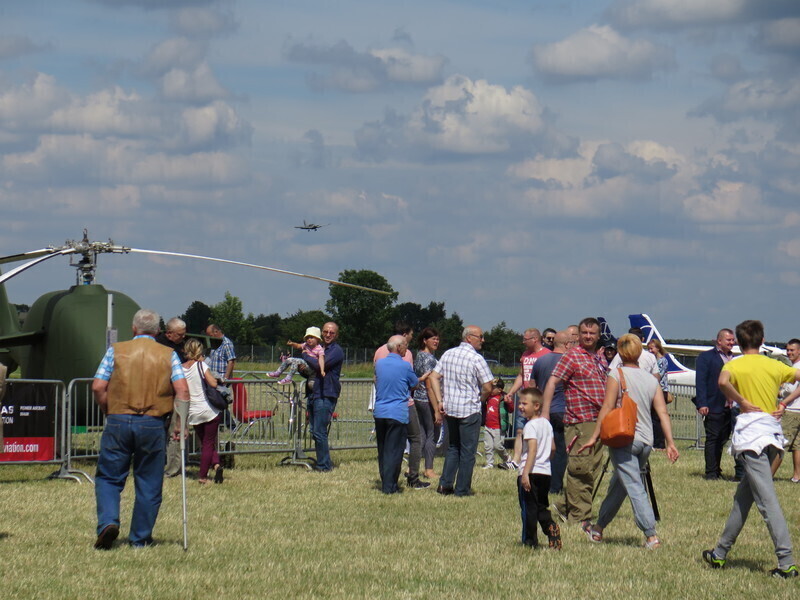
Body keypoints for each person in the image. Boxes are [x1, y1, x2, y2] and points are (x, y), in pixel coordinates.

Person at [703, 320, 800, 578]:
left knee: (768, 502)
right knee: (742, 500)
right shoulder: (774, 365)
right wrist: (785, 403)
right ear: (762, 339)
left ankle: (786, 562)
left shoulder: (734, 365)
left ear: (738, 340)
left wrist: (741, 401)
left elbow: (723, 382)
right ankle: (719, 553)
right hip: (772, 438)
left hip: (752, 439)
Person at [91, 309, 189, 549]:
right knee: (149, 481)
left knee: (109, 477)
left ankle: (108, 522)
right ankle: (140, 537)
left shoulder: (115, 351)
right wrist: (181, 424)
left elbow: (98, 386)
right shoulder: (169, 354)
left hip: (118, 419)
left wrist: (108, 410)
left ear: (134, 328)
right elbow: (182, 391)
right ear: (158, 331)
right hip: (153, 422)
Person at [578, 334, 680, 549]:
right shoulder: (651, 380)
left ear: (620, 352)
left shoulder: (616, 374)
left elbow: (607, 407)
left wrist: (594, 436)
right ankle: (598, 529)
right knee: (619, 485)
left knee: (633, 486)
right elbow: (662, 412)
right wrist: (670, 442)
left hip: (624, 437)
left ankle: (651, 535)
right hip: (646, 440)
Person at [542, 318, 607, 527]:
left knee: (593, 468)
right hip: (580, 420)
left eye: (592, 333)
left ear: (598, 336)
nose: (588, 336)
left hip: (599, 420)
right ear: (578, 335)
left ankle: (565, 507)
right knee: (580, 468)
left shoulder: (599, 358)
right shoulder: (572, 356)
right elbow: (552, 382)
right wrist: (545, 413)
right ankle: (579, 517)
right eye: (584, 333)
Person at [428, 325, 494, 497]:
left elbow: (433, 377)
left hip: (450, 408)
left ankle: (445, 484)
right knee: (467, 452)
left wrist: (440, 400)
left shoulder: (448, 354)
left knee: (453, 447)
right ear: (469, 338)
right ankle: (462, 489)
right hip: (469, 410)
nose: (482, 340)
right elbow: (488, 386)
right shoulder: (476, 358)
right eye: (480, 336)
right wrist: (481, 399)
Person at [374, 322, 428, 488]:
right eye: (405, 345)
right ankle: (391, 485)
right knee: (396, 450)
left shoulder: (379, 363)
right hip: (398, 411)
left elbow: (377, 379)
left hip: (380, 411)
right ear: (398, 347)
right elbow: (414, 384)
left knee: (383, 449)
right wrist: (421, 378)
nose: (407, 348)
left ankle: (385, 480)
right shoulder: (404, 365)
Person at [516, 388, 561, 550]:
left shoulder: (530, 426)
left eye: (524, 403)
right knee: (541, 506)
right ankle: (550, 526)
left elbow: (532, 450)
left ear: (536, 406)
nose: (520, 406)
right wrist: (546, 461)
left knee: (529, 508)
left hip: (531, 472)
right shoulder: (546, 424)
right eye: (520, 403)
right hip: (545, 472)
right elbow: (553, 448)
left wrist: (525, 474)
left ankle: (530, 541)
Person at [695, 328, 738, 480]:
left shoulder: (735, 359)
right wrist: (702, 403)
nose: (732, 342)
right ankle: (711, 473)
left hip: (731, 407)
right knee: (713, 439)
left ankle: (717, 469)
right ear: (719, 341)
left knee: (723, 439)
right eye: (728, 340)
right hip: (713, 405)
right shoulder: (706, 357)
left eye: (733, 340)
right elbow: (700, 381)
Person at [505, 328, 551, 467]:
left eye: (525, 339)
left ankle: (536, 459)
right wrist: (511, 392)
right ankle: (516, 460)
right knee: (520, 430)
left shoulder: (546, 355)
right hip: (524, 398)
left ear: (535, 339)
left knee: (537, 431)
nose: (523, 342)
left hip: (538, 400)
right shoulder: (525, 355)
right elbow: (521, 375)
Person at [532, 330, 569, 494]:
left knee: (544, 449)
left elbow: (532, 386)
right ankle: (555, 486)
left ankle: (541, 482)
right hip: (562, 409)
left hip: (543, 410)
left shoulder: (540, 361)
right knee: (560, 451)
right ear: (567, 344)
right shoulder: (568, 361)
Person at [182, 338, 223, 484]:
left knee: (204, 442)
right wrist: (219, 380)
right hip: (208, 410)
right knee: (208, 443)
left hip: (192, 411)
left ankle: (216, 464)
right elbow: (213, 383)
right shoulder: (201, 365)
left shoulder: (181, 368)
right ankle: (203, 476)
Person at [306, 322, 344, 472]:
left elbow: (319, 366)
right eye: (325, 332)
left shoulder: (336, 351)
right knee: (314, 431)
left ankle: (324, 466)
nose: (328, 335)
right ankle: (323, 461)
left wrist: (304, 354)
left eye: (332, 332)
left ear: (336, 335)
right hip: (314, 393)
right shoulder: (319, 348)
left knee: (319, 431)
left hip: (326, 393)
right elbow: (310, 370)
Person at [156, 317, 188, 478]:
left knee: (175, 432)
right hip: (161, 395)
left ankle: (173, 468)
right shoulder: (160, 346)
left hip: (176, 395)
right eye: (180, 335)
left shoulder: (181, 346)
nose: (183, 337)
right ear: (169, 333)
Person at [413, 327, 442, 479]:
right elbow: (430, 385)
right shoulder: (429, 359)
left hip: (418, 398)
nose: (436, 341)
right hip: (427, 399)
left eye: (437, 339)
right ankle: (429, 469)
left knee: (422, 434)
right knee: (432, 434)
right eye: (433, 339)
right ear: (425, 340)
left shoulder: (419, 355)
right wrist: (437, 409)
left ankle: (413, 467)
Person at [779, 338, 800, 483]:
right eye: (787, 350)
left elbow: (792, 390)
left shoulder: (796, 369)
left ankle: (768, 475)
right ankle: (797, 476)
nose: (789, 353)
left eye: (792, 350)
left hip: (793, 410)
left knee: (780, 444)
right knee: (797, 445)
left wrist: (781, 396)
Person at [482, 378, 513, 469]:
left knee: (498, 446)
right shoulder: (488, 397)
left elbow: (511, 409)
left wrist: (509, 402)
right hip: (488, 426)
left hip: (498, 427)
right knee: (488, 446)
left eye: (493, 388)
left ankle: (507, 458)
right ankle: (489, 463)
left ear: (500, 389)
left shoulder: (503, 398)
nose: (491, 389)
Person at [647, 338, 670, 449]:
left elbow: (658, 376)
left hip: (661, 390)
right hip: (653, 390)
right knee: (652, 418)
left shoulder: (662, 361)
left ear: (658, 348)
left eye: (652, 348)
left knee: (657, 418)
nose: (650, 351)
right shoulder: (653, 360)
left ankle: (659, 443)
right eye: (648, 349)